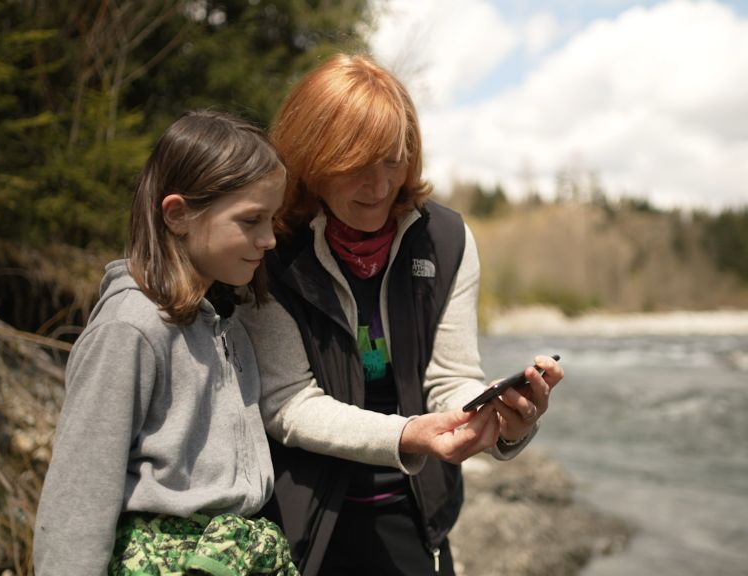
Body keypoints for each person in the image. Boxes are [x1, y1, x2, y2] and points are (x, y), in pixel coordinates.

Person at [242, 54, 564, 576]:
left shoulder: (447, 240)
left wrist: (502, 422)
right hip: (302, 522)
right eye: (355, 165)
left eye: (392, 160)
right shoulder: (269, 247)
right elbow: (287, 402)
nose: (378, 185)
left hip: (417, 515)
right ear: (310, 159)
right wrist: (408, 435)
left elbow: (452, 379)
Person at [33, 110, 299, 576]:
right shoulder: (129, 327)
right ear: (178, 214)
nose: (269, 239)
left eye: (272, 219)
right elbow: (80, 491)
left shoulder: (228, 323)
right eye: (252, 220)